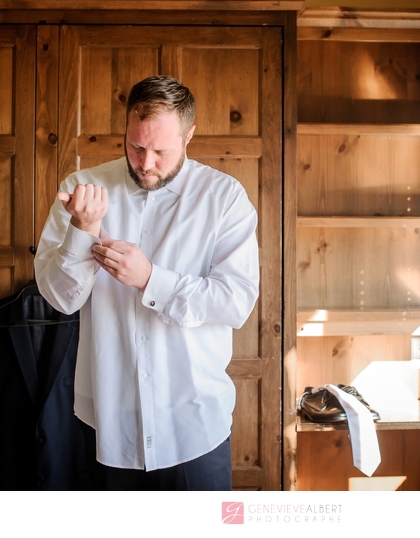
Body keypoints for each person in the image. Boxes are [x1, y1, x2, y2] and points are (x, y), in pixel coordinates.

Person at [34, 75, 260, 490]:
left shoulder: (226, 199)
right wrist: (82, 231)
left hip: (193, 426)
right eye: (136, 146)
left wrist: (151, 280)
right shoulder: (80, 191)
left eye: (160, 150)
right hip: (106, 421)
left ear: (189, 135)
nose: (146, 162)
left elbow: (236, 302)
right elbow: (59, 300)